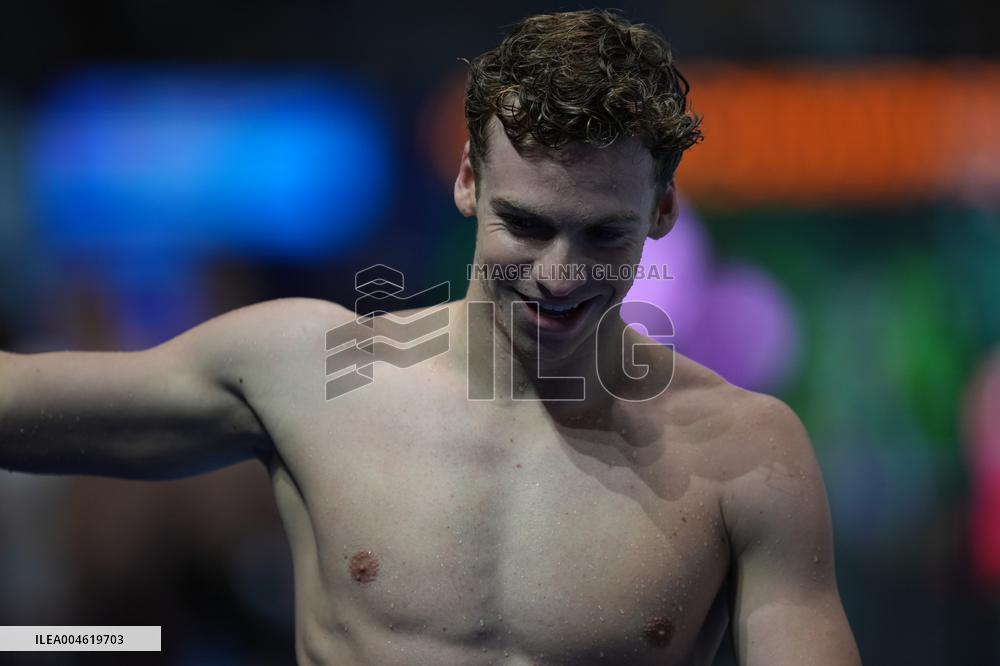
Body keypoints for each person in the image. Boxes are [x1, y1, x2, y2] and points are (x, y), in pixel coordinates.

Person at [0, 9, 861, 665]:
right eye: (525, 225)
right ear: (466, 183)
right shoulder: (312, 373)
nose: (559, 275)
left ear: (661, 213)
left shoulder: (749, 455)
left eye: (603, 235)